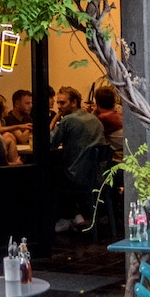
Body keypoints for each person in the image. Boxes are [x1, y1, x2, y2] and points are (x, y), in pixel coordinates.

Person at [51, 86, 105, 231]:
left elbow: (51, 144)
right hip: (98, 175)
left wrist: (56, 117)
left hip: (78, 177)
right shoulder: (94, 119)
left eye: (62, 103)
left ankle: (63, 218)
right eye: (58, 103)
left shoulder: (68, 120)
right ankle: (76, 215)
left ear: (74, 102)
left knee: (50, 177)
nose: (59, 106)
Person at [92, 85, 124, 160]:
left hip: (117, 156)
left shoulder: (103, 118)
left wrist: (93, 111)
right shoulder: (119, 113)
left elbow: (90, 131)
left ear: (97, 102)